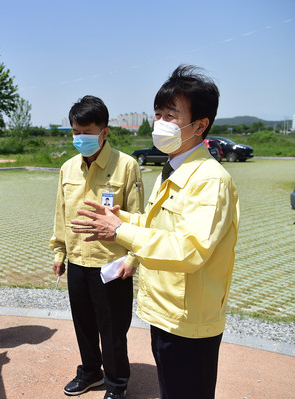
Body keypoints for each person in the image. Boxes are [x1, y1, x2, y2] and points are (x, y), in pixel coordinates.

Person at [71, 65, 239, 399]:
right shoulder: (173, 170)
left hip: (188, 323)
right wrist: (123, 221)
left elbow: (189, 250)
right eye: (158, 114)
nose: (160, 123)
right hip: (166, 313)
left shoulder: (209, 179)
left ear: (201, 124)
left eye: (171, 115)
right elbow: (156, 226)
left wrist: (120, 230)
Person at [50, 95, 144, 399]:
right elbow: (60, 214)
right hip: (77, 261)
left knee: (114, 330)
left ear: (105, 132)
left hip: (112, 266)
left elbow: (139, 218)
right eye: (75, 132)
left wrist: (134, 258)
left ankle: (117, 384)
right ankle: (91, 372)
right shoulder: (67, 169)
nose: (80, 138)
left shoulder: (126, 167)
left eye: (87, 132)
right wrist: (59, 252)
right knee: (84, 325)